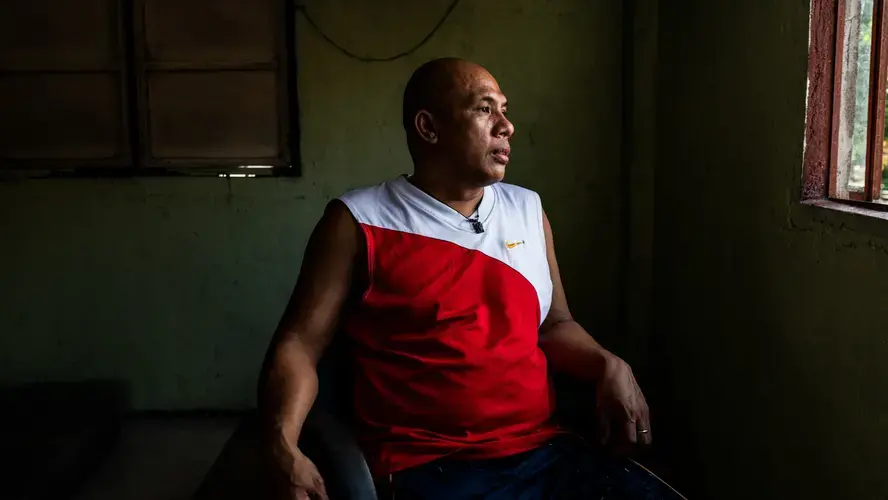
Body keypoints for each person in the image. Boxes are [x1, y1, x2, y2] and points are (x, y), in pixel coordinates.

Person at [259, 58, 681, 500]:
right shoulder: (358, 221)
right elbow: (299, 345)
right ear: (428, 127)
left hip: (544, 451)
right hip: (430, 467)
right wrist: (282, 445)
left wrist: (607, 363)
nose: (507, 126)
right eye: (484, 109)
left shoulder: (527, 210)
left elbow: (554, 325)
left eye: (504, 109)